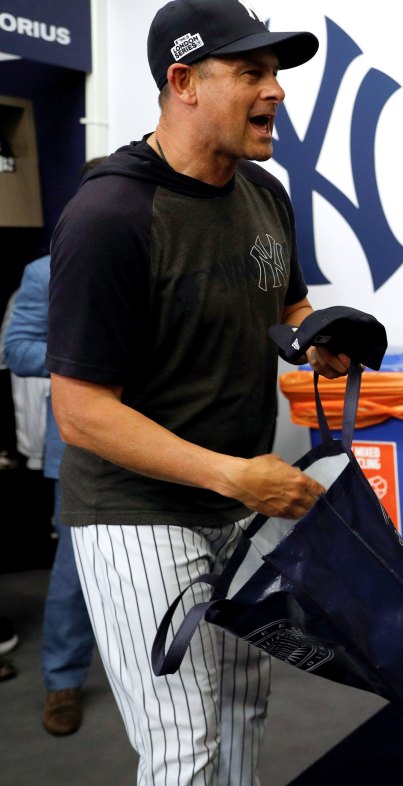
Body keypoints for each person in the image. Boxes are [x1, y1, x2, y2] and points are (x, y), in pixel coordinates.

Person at [46, 1, 348, 782]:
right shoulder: (109, 215)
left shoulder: (264, 193)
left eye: (275, 72)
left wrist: (321, 342)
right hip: (137, 512)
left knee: (244, 707)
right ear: (182, 82)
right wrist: (232, 475)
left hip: (240, 498)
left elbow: (286, 305)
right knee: (183, 745)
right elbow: (80, 414)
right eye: (252, 71)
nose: (276, 90)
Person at [4, 157, 107, 736]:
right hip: (79, 448)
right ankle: (63, 682)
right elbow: (17, 349)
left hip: (162, 442)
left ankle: (149, 670)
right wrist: (82, 360)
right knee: (74, 573)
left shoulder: (156, 264)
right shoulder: (45, 272)